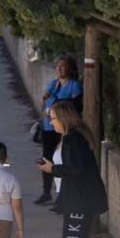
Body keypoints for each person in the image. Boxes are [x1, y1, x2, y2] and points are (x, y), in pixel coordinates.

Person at [37, 101, 107, 238]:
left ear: (64, 118)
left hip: (80, 199)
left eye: (54, 118)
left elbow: (74, 169)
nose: (51, 122)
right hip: (79, 197)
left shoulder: (73, 139)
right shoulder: (71, 137)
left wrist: (52, 170)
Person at [36, 56, 83, 205]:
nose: (59, 69)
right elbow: (44, 99)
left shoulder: (74, 86)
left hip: (62, 128)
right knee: (46, 158)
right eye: (57, 67)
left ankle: (62, 194)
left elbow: (76, 106)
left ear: (70, 68)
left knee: (61, 160)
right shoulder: (53, 84)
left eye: (63, 66)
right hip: (48, 126)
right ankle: (46, 191)